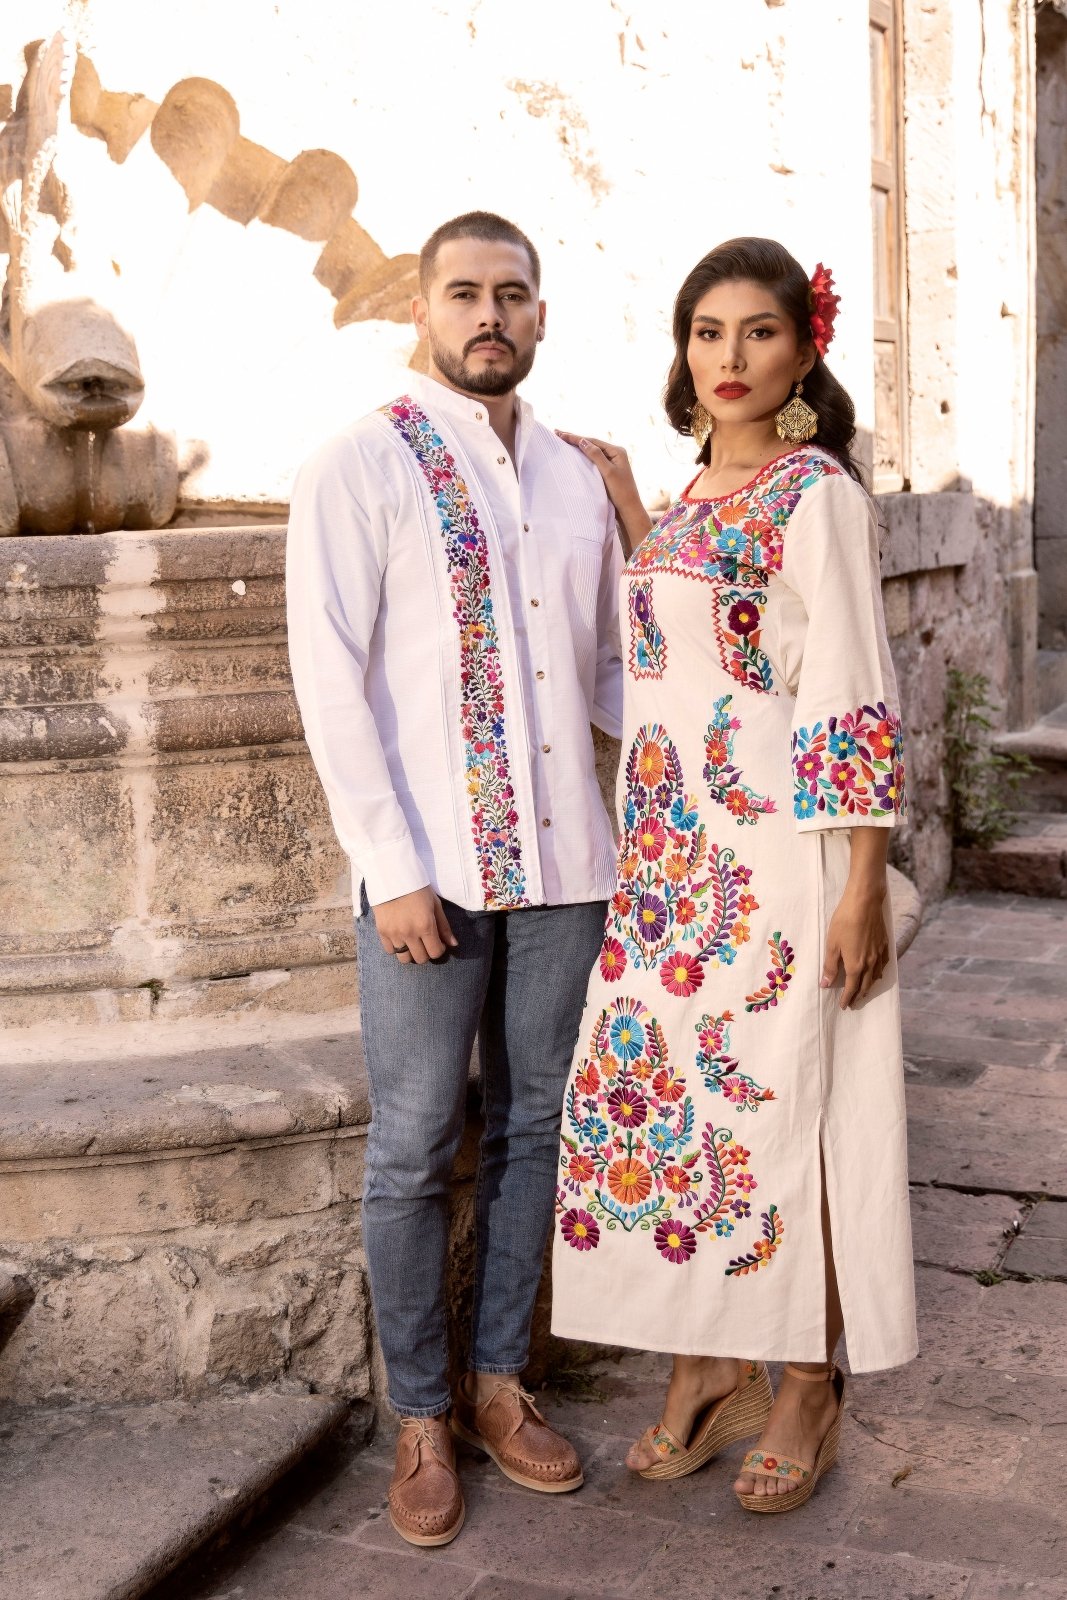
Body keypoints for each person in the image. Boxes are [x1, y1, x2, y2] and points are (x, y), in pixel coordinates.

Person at [550, 236, 917, 1514]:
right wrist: (636, 519)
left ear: (803, 352)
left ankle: (806, 1380)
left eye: (756, 332)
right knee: (691, 1117)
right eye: (706, 332)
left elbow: (846, 695)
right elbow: (700, 655)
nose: (727, 357)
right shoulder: (695, 495)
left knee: (790, 1120)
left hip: (776, 867)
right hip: (667, 871)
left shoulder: (817, 494)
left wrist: (861, 882)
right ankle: (710, 1364)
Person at [286, 211, 625, 1547]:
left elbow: (606, 675)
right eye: (464, 293)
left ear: (539, 315)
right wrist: (390, 868)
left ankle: (499, 1385)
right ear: (422, 309)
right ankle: (418, 1417)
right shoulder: (362, 463)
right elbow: (331, 680)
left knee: (537, 1127)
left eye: (512, 294)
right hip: (426, 874)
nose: (489, 314)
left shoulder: (574, 477)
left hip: (562, 873)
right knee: (418, 1145)